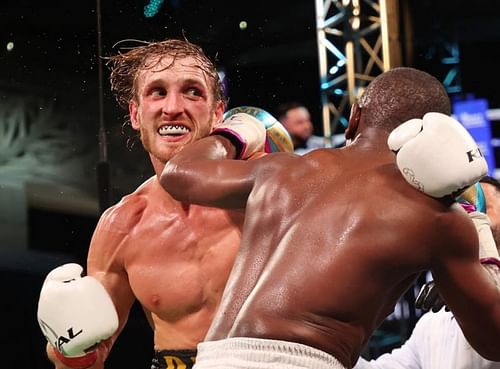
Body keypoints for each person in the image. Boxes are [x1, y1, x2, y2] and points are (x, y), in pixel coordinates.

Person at [160, 67, 500, 369]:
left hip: (212, 358)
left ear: (354, 118)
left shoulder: (281, 172)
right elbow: (493, 341)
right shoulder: (436, 216)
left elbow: (179, 173)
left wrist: (240, 130)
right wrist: (477, 226)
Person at [38, 38, 250, 369]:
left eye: (192, 91)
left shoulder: (263, 195)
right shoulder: (122, 226)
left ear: (218, 112)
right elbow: (91, 357)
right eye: (157, 92)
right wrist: (67, 344)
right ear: (136, 115)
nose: (172, 107)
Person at [354, 176, 500, 369]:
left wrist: (474, 288)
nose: (465, 218)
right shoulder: (432, 324)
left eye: (479, 206)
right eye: (456, 209)